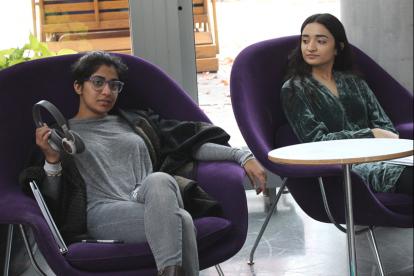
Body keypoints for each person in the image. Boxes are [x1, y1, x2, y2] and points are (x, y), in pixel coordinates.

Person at [28, 51, 267, 276]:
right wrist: (51, 160)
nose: (107, 91)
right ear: (78, 86)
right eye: (98, 82)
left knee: (160, 179)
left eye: (114, 85)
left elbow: (189, 145)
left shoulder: (136, 122)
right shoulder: (63, 136)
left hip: (150, 197)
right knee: (182, 220)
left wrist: (242, 156)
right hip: (103, 211)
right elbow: (51, 200)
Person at [280, 13, 412, 195]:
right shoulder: (295, 89)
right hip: (348, 169)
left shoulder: (353, 81)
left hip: (385, 158)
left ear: (338, 47)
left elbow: (385, 127)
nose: (310, 47)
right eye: (305, 40)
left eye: (321, 41)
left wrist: (380, 138)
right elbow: (316, 143)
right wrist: (370, 134)